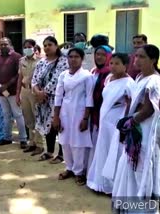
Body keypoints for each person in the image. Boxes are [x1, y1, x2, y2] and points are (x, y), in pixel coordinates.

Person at [112, 45, 160, 213]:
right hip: (135, 128)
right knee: (131, 165)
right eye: (136, 56)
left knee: (141, 166)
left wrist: (130, 122)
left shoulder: (154, 80)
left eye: (142, 57)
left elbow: (148, 109)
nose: (137, 60)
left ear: (153, 60)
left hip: (144, 131)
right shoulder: (139, 77)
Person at [87, 53, 136, 194]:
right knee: (103, 148)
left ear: (125, 65)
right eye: (111, 63)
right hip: (105, 117)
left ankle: (113, 185)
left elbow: (131, 104)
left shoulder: (129, 83)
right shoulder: (108, 78)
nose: (113, 66)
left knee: (116, 150)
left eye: (117, 64)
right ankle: (99, 182)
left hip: (117, 119)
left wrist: (125, 122)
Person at [53, 48, 93, 185]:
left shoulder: (87, 76)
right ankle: (69, 168)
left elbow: (89, 98)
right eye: (70, 56)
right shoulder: (63, 75)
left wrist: (85, 118)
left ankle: (79, 171)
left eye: (76, 56)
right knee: (64, 140)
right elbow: (58, 96)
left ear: (82, 59)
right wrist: (56, 116)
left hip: (80, 112)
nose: (73, 59)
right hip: (65, 111)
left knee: (78, 143)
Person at [31, 36, 68, 163]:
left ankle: (62, 154)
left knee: (57, 125)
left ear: (56, 46)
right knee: (47, 126)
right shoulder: (41, 62)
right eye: (45, 45)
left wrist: (43, 93)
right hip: (42, 100)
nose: (47, 47)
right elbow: (34, 79)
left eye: (50, 45)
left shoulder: (63, 61)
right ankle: (49, 151)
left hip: (57, 99)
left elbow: (57, 79)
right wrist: (37, 91)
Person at [0, 37, 27, 148]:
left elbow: (19, 74)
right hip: (1, 93)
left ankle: (23, 139)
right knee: (6, 115)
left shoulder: (17, 57)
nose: (3, 46)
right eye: (1, 44)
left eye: (5, 44)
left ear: (10, 44)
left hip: (13, 92)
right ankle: (7, 137)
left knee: (18, 115)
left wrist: (7, 85)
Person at [88, 45, 112, 172]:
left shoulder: (111, 73)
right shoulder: (93, 71)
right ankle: (92, 172)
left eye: (103, 55)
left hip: (104, 113)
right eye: (97, 54)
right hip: (93, 112)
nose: (99, 57)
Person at [16, 39, 43, 155]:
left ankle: (40, 144)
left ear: (34, 48)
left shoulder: (41, 61)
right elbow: (19, 77)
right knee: (28, 118)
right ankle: (32, 143)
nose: (27, 49)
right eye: (25, 47)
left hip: (35, 91)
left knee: (37, 117)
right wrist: (17, 94)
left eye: (29, 46)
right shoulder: (21, 61)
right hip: (24, 90)